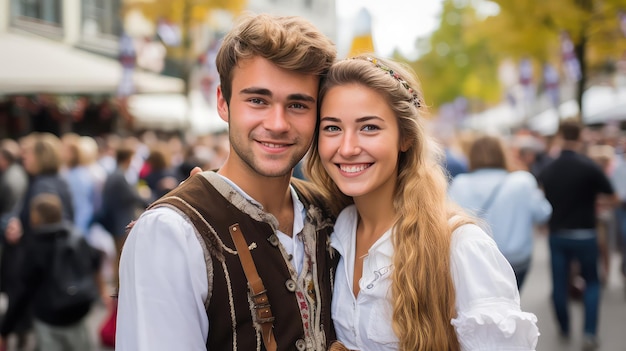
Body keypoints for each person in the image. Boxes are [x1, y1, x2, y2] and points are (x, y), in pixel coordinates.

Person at [116, 13, 338, 351]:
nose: (277, 123)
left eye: (297, 104)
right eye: (257, 100)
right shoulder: (172, 233)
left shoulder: (331, 212)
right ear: (223, 102)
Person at [305, 55, 539, 350]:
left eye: (369, 127)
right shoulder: (333, 230)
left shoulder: (459, 245)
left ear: (405, 138)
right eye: (332, 128)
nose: (348, 147)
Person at [538, 119, 618, 350]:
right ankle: (589, 332)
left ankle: (564, 327)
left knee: (559, 283)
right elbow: (612, 197)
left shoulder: (548, 168)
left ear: (561, 135)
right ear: (580, 136)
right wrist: (597, 204)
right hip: (585, 233)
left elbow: (540, 198)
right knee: (592, 282)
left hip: (558, 233)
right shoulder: (589, 166)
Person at [0, 193, 104, 351]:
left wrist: (6, 329)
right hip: (78, 311)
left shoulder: (34, 248)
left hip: (49, 317)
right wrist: (100, 289)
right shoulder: (76, 237)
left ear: (35, 217)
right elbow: (95, 260)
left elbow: (23, 291)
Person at [448, 134, 552, 290]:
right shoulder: (522, 181)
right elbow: (543, 213)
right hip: (515, 258)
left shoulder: (459, 184)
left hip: (475, 260)